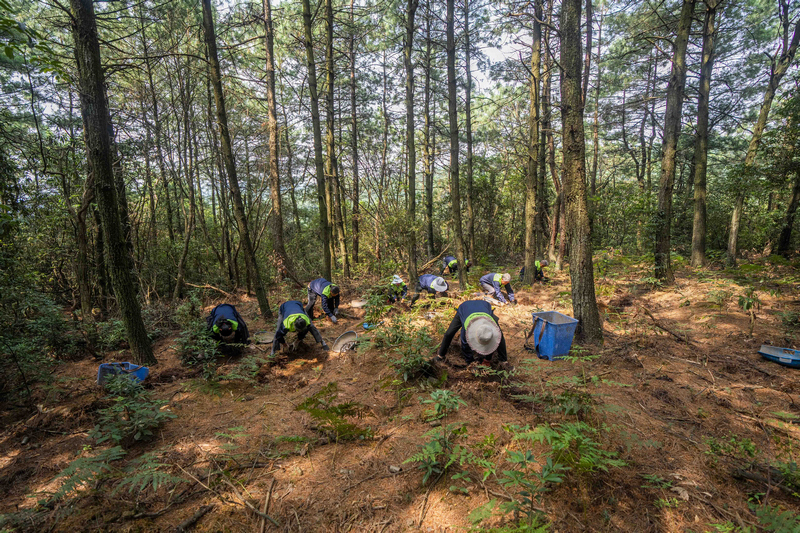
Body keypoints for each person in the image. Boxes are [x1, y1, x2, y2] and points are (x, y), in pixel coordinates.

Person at [435, 300, 508, 367]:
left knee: (500, 336)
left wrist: (487, 359)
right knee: (449, 333)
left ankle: (503, 361)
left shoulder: (493, 326)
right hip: (465, 308)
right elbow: (465, 345)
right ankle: (440, 355)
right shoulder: (467, 329)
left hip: (484, 306)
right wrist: (471, 363)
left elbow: (495, 341)